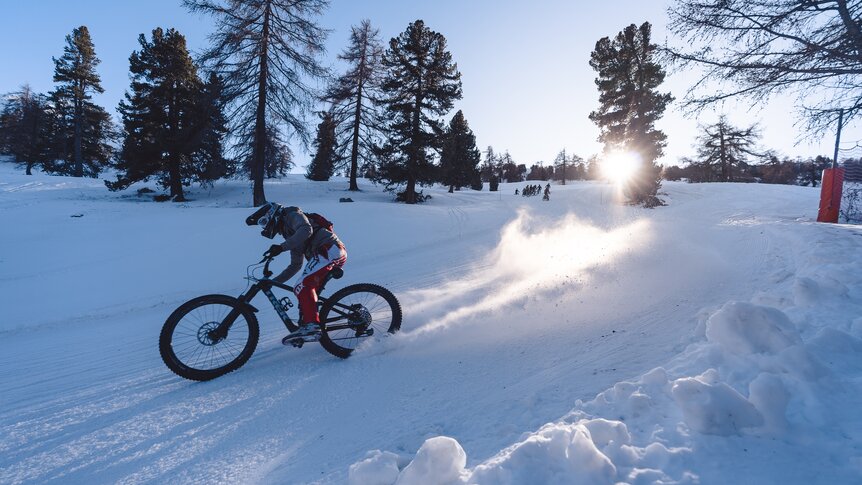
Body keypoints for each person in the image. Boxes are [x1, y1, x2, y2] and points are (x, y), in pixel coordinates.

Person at [245, 202, 347, 339]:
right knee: (304, 292)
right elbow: (295, 265)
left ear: (271, 215)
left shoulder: (292, 215)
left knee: (303, 285)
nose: (265, 226)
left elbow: (306, 230)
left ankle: (312, 326)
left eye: (264, 222)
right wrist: (273, 282)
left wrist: (281, 247)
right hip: (328, 253)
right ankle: (307, 325)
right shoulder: (290, 235)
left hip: (328, 250)